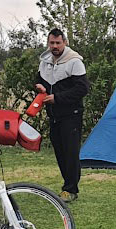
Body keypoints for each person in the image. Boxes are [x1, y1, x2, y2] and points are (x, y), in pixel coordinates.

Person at [36, 28, 89, 202]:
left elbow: (82, 89)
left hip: (71, 115)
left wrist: (57, 98)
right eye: (52, 43)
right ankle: (67, 185)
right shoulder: (44, 61)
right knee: (59, 152)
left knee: (71, 152)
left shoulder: (74, 61)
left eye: (58, 43)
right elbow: (38, 80)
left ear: (64, 43)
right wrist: (39, 87)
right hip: (54, 116)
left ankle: (71, 189)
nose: (55, 46)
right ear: (48, 43)